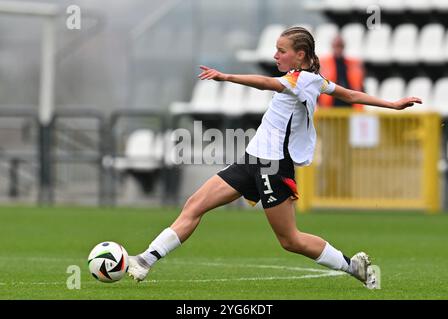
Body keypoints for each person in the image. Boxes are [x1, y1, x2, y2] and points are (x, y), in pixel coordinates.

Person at [127, 26, 421, 289]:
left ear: (300, 54)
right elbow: (350, 95)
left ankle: (351, 266)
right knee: (194, 205)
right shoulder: (310, 80)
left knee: (290, 240)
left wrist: (227, 76)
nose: (276, 55)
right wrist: (391, 104)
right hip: (252, 158)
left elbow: (268, 83)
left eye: (282, 51)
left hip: (273, 165)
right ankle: (144, 260)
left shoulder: (303, 80)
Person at [318, 35, 365, 109]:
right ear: (332, 46)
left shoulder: (353, 64)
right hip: (330, 105)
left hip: (350, 104)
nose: (338, 48)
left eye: (340, 46)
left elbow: (360, 87)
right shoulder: (323, 64)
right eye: (337, 46)